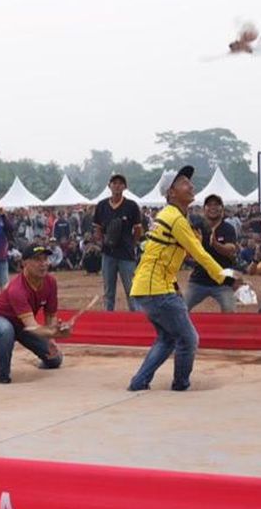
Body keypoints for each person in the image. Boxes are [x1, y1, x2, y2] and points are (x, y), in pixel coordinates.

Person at [128, 166, 232, 392]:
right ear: (171, 193)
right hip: (156, 288)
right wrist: (225, 278)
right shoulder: (174, 218)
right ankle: (180, 384)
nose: (191, 185)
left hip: (147, 287)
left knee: (167, 339)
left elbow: (162, 256)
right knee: (189, 338)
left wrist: (174, 285)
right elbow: (199, 253)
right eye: (184, 182)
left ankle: (139, 382)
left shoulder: (170, 216)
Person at [0, 244, 68, 383]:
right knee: (6, 330)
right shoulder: (17, 289)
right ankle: (3, 376)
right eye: (37, 260)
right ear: (24, 263)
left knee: (55, 360)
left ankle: (42, 360)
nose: (43, 264)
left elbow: (50, 315)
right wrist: (54, 332)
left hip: (21, 324)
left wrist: (52, 338)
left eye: (45, 259)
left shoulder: (51, 282)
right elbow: (31, 325)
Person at [93, 174, 142, 312]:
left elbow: (138, 228)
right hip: (108, 254)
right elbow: (97, 227)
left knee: (131, 290)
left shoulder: (131, 206)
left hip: (126, 254)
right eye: (114, 183)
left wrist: (133, 243)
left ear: (125, 187)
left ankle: (136, 319)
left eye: (120, 183)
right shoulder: (102, 205)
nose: (117, 185)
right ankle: (108, 319)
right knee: (108, 292)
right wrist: (101, 240)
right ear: (109, 186)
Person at [184, 194, 239, 312]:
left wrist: (215, 244)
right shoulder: (197, 228)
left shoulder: (228, 228)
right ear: (204, 209)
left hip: (223, 282)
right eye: (209, 205)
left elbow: (231, 249)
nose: (213, 207)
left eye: (216, 204)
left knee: (231, 313)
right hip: (199, 280)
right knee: (181, 308)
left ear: (222, 209)